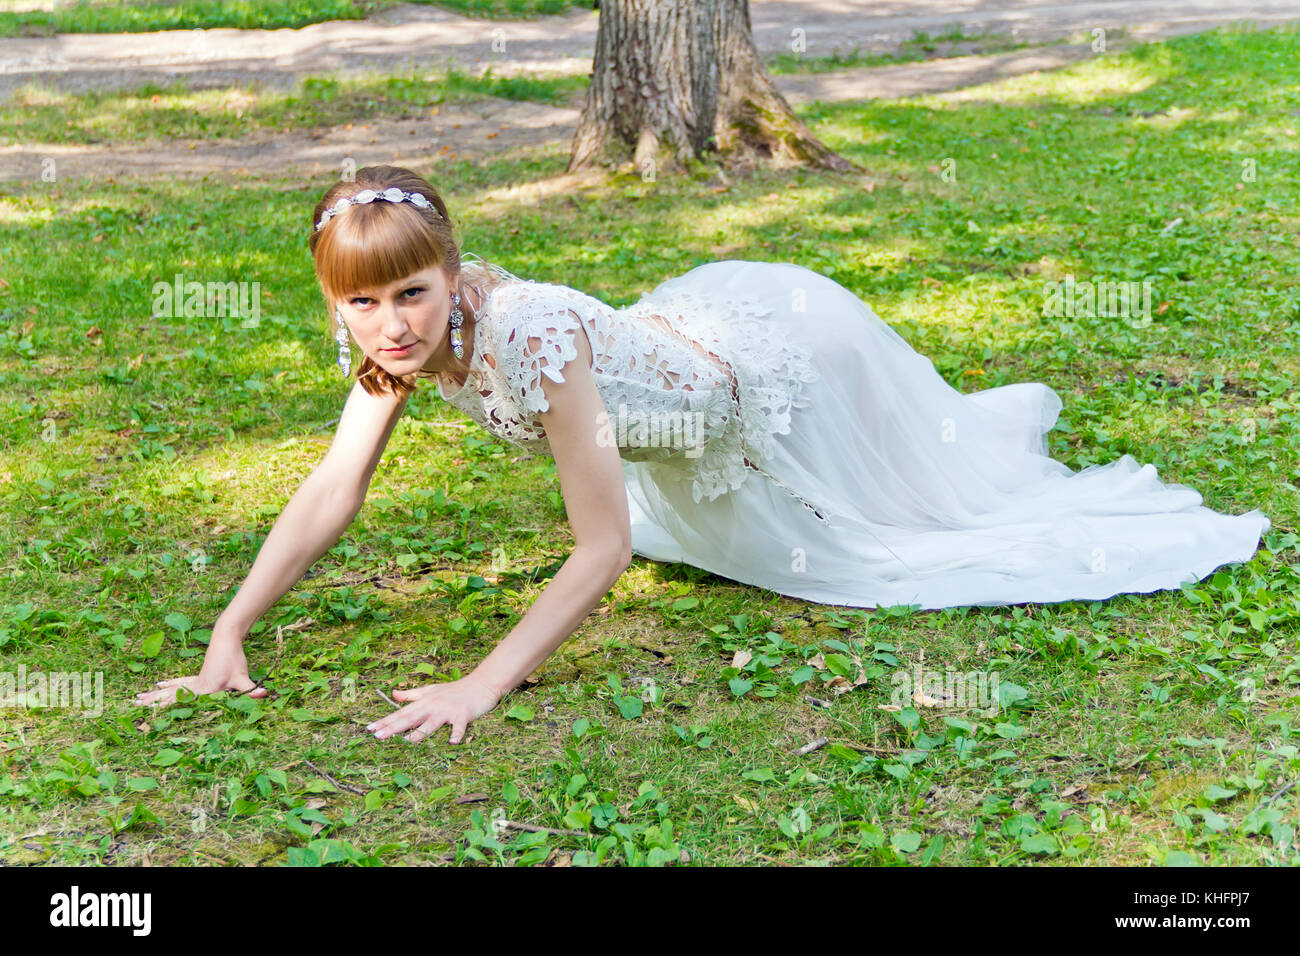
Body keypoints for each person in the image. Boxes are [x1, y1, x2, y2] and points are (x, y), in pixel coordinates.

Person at [133, 165, 1271, 744]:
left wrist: (484, 681)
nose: (392, 325)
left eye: (413, 294)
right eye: (365, 303)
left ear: (454, 271)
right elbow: (336, 484)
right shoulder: (389, 342)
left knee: (926, 519)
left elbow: (604, 543)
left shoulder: (522, 328)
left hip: (769, 372)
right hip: (667, 382)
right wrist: (229, 630)